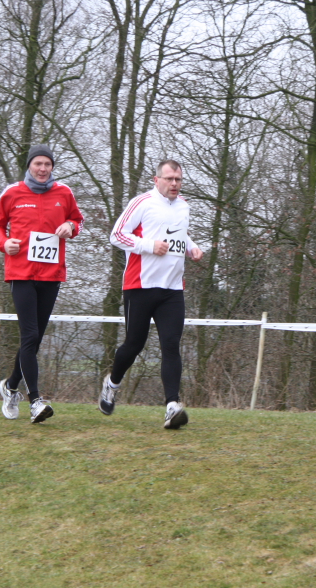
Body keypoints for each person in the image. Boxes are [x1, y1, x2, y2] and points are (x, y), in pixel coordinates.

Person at [98, 159, 203, 429]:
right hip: (140, 286)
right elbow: (116, 235)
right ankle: (112, 384)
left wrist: (192, 247)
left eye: (178, 179)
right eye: (169, 179)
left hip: (172, 289)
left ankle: (172, 406)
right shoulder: (142, 203)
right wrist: (149, 245)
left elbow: (179, 235)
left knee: (171, 344)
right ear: (157, 180)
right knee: (134, 344)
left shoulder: (183, 206)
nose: (174, 184)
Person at [0, 144, 83, 423]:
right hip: (21, 273)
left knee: (36, 339)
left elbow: (77, 220)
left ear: (52, 167)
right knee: (29, 336)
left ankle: (10, 387)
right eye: (38, 163)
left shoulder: (64, 193)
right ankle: (35, 401)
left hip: (51, 275)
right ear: (29, 165)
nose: (42, 169)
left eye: (47, 164)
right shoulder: (12, 193)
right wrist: (4, 243)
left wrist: (71, 227)